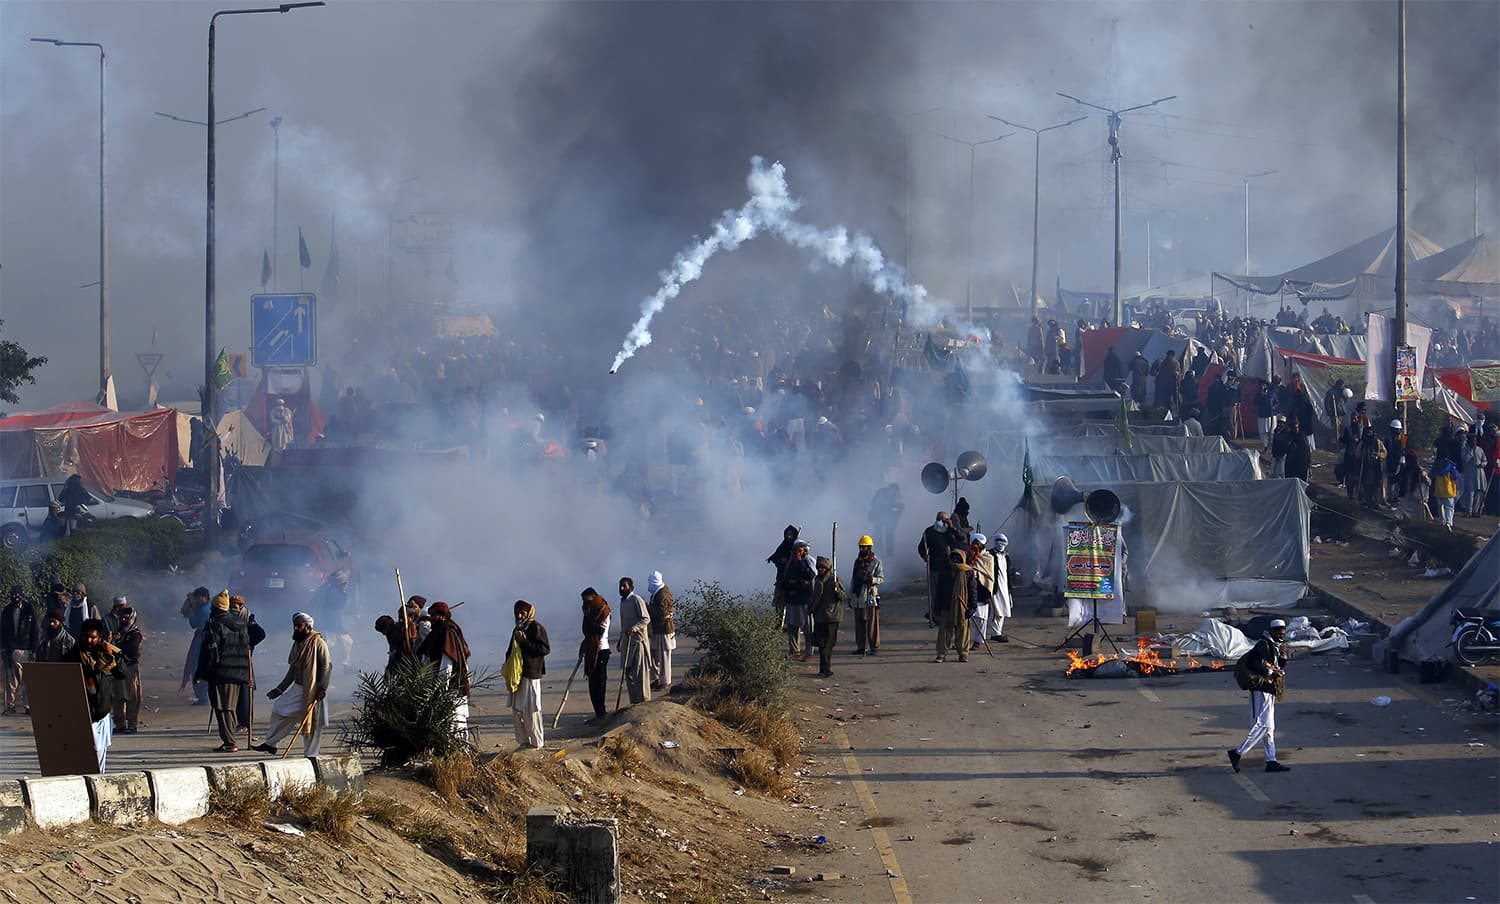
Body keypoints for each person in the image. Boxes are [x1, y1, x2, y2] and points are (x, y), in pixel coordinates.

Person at [253, 612, 331, 757]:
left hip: (314, 689)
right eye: (295, 626)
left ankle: (311, 756)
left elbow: (326, 666)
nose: (296, 629)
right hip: (298, 688)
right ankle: (271, 743)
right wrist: (280, 689)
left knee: (313, 723)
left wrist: (322, 688)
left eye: (299, 626)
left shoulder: (319, 643)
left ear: (308, 627)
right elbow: (293, 669)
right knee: (279, 709)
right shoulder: (298, 643)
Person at [1229, 619, 1291, 774]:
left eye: (1282, 633)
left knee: (1269, 728)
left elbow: (1278, 665)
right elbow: (1255, 664)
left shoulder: (1275, 646)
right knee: (1264, 725)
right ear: (1272, 631)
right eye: (1278, 632)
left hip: (1269, 688)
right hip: (1261, 688)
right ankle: (1237, 752)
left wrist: (1283, 657)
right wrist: (1271, 672)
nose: (1280, 635)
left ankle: (1271, 761)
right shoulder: (1264, 644)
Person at [195, 590, 253, 752]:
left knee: (222, 708)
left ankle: (230, 743)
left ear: (214, 608)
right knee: (229, 707)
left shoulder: (214, 625)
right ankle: (230, 740)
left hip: (221, 673)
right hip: (240, 672)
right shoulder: (241, 624)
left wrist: (200, 673)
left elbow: (209, 652)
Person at [64, 619, 124, 771]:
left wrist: (113, 657)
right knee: (85, 756)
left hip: (102, 714)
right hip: (83, 714)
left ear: (99, 637)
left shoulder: (106, 653)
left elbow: (121, 674)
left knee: (99, 758)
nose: (89, 640)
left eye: (93, 637)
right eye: (86, 636)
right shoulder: (74, 655)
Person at [417, 601, 472, 736]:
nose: (431, 618)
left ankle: (459, 751)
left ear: (442, 616)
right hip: (446, 681)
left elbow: (447, 661)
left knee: (454, 717)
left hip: (450, 683)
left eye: (433, 615)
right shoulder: (441, 629)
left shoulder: (446, 631)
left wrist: (442, 686)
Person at [504, 600, 550, 748]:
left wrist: (524, 643)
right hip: (518, 676)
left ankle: (537, 743)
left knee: (532, 710)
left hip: (531, 674)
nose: (519, 615)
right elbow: (511, 649)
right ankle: (523, 741)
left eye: (522, 612)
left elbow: (544, 649)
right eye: (517, 612)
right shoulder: (517, 628)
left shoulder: (536, 628)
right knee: (517, 710)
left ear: (529, 613)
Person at [229, 594, 268, 733]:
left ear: (241, 606)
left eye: (235, 605)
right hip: (231, 657)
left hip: (244, 658)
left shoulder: (248, 618)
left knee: (245, 690)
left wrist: (249, 645)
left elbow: (261, 634)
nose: (233, 608)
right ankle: (239, 721)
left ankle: (246, 722)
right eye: (231, 605)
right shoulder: (228, 618)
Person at [2, 586, 38, 714]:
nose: (15, 596)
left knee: (27, 680)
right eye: (13, 594)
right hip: (11, 650)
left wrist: (34, 650)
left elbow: (34, 631)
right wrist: (3, 649)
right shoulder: (7, 611)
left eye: (17, 594)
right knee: (12, 680)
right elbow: (3, 631)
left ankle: (27, 706)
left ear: (22, 596)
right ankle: (10, 705)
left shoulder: (29, 610)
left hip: (26, 649)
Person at [578, 588, 612, 721]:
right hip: (591, 650)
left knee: (599, 682)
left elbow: (599, 631)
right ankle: (597, 712)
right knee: (592, 683)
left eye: (585, 600)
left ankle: (602, 713)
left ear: (592, 597)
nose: (584, 603)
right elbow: (586, 631)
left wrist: (587, 617)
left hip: (601, 650)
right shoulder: (591, 611)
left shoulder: (603, 611)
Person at [847, 535, 883, 655]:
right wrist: (850, 596)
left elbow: (881, 579)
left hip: (869, 596)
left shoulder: (876, 562)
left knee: (872, 623)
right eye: (861, 547)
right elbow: (853, 579)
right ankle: (861, 647)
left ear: (870, 548)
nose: (862, 550)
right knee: (859, 622)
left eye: (864, 547)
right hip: (858, 597)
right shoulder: (857, 562)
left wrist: (872, 579)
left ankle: (874, 646)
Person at [312, 569, 353, 673]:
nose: (346, 585)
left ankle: (345, 666)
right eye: (345, 582)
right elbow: (334, 611)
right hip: (330, 623)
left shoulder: (329, 589)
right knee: (330, 645)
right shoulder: (333, 592)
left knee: (343, 642)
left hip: (331, 622)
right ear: (340, 582)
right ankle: (319, 668)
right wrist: (339, 627)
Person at [617, 577, 651, 704]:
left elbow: (646, 619)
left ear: (631, 587)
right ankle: (635, 701)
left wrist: (634, 628)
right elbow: (623, 624)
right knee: (628, 672)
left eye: (624, 586)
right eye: (620, 586)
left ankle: (644, 701)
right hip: (627, 643)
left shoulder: (636, 600)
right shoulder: (623, 602)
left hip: (638, 642)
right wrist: (620, 640)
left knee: (640, 673)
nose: (621, 589)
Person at [110, 605, 143, 734]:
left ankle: (132, 725)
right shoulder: (118, 633)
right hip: (118, 668)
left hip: (130, 668)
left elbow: (132, 651)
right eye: (121, 617)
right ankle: (120, 724)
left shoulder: (135, 634)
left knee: (132, 698)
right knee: (117, 697)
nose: (123, 620)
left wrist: (118, 644)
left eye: (126, 618)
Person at [810, 555, 844, 678]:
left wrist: (837, 590)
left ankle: (825, 668)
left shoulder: (834, 580)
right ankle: (824, 669)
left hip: (832, 617)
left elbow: (843, 597)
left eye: (822, 568)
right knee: (821, 644)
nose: (820, 570)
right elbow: (815, 597)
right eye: (818, 568)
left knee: (828, 645)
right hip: (820, 616)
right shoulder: (817, 581)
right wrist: (811, 609)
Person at [781, 540, 815, 661]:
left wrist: (800, 562)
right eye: (795, 550)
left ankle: (809, 652)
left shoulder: (809, 561)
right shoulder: (791, 562)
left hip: (804, 599)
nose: (797, 553)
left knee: (808, 628)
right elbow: (786, 578)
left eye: (799, 550)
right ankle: (794, 650)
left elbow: (811, 576)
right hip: (792, 598)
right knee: (792, 626)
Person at [936, 550, 971, 663]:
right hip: (946, 606)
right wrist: (936, 608)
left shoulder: (968, 572)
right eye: (953, 558)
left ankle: (963, 654)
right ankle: (941, 654)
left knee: (962, 631)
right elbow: (939, 592)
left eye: (958, 558)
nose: (955, 560)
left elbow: (973, 591)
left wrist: (972, 607)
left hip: (962, 607)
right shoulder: (945, 572)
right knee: (944, 632)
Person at [918, 512, 953, 625]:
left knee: (946, 592)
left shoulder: (948, 531)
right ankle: (935, 614)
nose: (943, 522)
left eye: (945, 520)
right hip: (935, 567)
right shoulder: (930, 532)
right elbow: (921, 547)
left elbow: (955, 542)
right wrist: (925, 556)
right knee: (935, 592)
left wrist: (951, 527)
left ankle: (945, 614)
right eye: (941, 519)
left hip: (948, 567)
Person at [965, 533, 998, 650]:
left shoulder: (988, 558)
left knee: (981, 619)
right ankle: (963, 642)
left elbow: (991, 577)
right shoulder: (967, 554)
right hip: (969, 588)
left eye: (978, 544)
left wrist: (989, 594)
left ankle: (978, 641)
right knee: (966, 618)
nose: (976, 546)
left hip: (982, 590)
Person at [180, 586, 212, 705]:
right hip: (208, 640)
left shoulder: (204, 610)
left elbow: (193, 624)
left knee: (197, 667)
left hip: (202, 641)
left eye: (198, 598)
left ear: (204, 598)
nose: (197, 601)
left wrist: (191, 612)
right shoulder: (210, 608)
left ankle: (202, 697)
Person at [646, 572, 676, 692]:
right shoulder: (657, 593)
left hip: (665, 629)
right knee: (655, 655)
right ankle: (657, 678)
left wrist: (647, 608)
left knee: (664, 657)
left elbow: (661, 612)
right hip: (657, 629)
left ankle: (665, 681)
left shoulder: (663, 594)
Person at [766, 525, 800, 620]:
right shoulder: (783, 546)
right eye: (787, 534)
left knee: (791, 603)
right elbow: (775, 558)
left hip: (793, 580)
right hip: (781, 578)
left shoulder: (797, 548)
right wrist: (781, 561)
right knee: (779, 603)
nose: (789, 536)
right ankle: (779, 621)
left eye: (791, 534)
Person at [988, 534, 1014, 642]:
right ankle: (995, 633)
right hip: (995, 587)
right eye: (998, 540)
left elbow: (1007, 573)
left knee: (1003, 610)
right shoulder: (990, 555)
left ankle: (998, 631)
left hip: (1004, 586)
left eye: (1003, 541)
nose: (1000, 543)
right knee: (995, 611)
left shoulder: (1006, 556)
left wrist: (1009, 589)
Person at [868, 483, 904, 556]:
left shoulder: (896, 496)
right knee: (878, 535)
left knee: (889, 535)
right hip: (878, 517)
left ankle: (889, 554)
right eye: (893, 491)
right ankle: (878, 553)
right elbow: (876, 506)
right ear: (890, 489)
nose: (894, 493)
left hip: (889, 520)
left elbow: (898, 509)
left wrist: (894, 513)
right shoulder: (881, 494)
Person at [1356, 426, 1387, 509]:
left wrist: (1378, 455)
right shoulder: (1363, 443)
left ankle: (1376, 502)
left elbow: (1384, 452)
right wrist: (1363, 456)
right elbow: (1357, 454)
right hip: (1366, 468)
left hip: (1376, 468)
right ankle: (1367, 501)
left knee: (1376, 486)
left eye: (1370, 432)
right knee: (1367, 485)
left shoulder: (1378, 442)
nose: (1369, 434)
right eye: (1367, 432)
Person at [1460, 428, 1489, 518]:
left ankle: (1475, 511)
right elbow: (1465, 459)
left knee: (1479, 492)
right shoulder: (1464, 449)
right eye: (1472, 440)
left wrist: (1483, 464)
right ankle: (1468, 511)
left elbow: (1485, 460)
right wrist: (1471, 451)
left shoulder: (1480, 450)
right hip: (1470, 473)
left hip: (1480, 473)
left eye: (1475, 440)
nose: (1474, 442)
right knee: (1470, 492)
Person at [63, 582, 101, 647]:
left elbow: (98, 623)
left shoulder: (90, 607)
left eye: (77, 592)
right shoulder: (68, 607)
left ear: (83, 594)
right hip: (71, 639)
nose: (75, 594)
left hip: (87, 639)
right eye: (74, 592)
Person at [269, 398, 295, 464]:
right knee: (276, 449)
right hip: (277, 431)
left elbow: (287, 420)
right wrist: (280, 422)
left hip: (285, 432)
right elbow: (272, 420)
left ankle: (284, 462)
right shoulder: (273, 411)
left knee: (284, 447)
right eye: (278, 404)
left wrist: (282, 414)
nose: (280, 405)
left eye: (281, 404)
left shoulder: (287, 411)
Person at [1253, 382, 1275, 451]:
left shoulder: (1271, 394)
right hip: (1261, 415)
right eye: (1261, 385)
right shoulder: (1258, 395)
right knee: (1262, 431)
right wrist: (1261, 396)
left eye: (1264, 385)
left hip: (1270, 415)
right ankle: (1265, 446)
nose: (1262, 386)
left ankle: (1272, 445)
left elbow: (1277, 403)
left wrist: (1274, 406)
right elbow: (1254, 402)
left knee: (1271, 431)